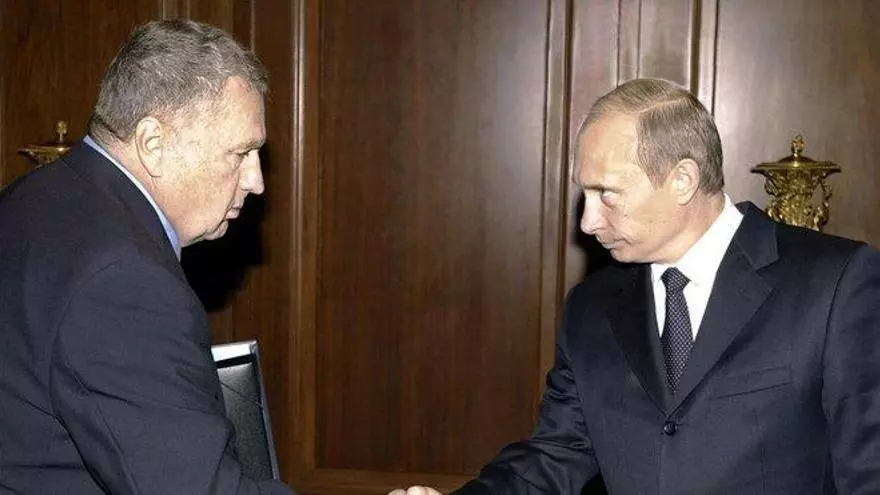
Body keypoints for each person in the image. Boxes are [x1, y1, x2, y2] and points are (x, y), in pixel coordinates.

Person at [392, 78, 880, 494]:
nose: (587, 222)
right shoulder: (591, 306)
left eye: (607, 194)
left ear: (682, 180)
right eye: (585, 194)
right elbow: (557, 453)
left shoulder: (835, 284)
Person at [0, 20, 296, 494]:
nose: (256, 181)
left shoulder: (34, 196)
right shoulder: (123, 279)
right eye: (240, 153)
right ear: (154, 145)